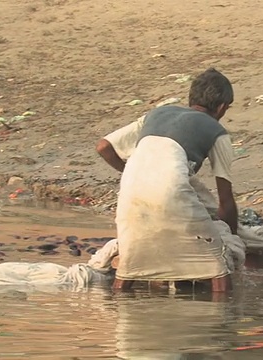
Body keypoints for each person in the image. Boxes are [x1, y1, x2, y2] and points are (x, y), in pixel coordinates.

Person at [96, 68, 239, 291]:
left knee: (132, 262)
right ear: (222, 107)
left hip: (131, 188)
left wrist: (134, 173)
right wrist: (231, 239)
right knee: (217, 266)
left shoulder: (156, 114)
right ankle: (224, 318)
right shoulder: (217, 131)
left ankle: (119, 310)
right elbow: (226, 200)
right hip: (171, 189)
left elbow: (103, 146)